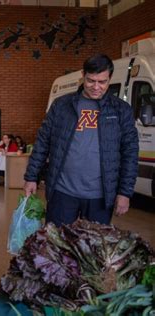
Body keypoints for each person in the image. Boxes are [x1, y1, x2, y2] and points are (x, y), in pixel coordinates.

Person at [23, 53, 138, 226]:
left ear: (110, 79)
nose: (96, 87)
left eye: (102, 82)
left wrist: (125, 192)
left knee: (93, 250)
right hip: (62, 192)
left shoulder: (121, 110)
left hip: (100, 196)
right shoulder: (62, 105)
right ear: (82, 76)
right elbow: (43, 142)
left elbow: (130, 153)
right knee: (58, 247)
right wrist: (31, 177)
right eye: (91, 81)